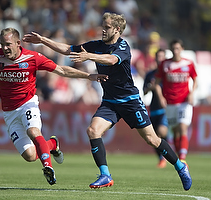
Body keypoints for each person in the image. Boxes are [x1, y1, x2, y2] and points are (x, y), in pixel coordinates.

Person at [22, 12, 192, 190]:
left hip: (130, 101)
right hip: (110, 101)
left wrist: (89, 56)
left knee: (152, 139)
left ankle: (180, 167)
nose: (103, 30)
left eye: (107, 27)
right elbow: (67, 49)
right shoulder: (96, 45)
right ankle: (105, 175)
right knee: (93, 130)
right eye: (103, 26)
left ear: (117, 29)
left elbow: (112, 60)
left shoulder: (123, 46)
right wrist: (43, 40)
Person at [0, 27, 108, 185]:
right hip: (9, 112)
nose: (4, 48)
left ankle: (48, 167)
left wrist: (89, 76)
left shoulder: (33, 58)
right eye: (2, 44)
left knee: (33, 131)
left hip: (28, 103)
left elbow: (61, 70)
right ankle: (52, 144)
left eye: (8, 44)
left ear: (18, 43)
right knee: (29, 155)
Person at [155, 39, 198, 164]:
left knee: (182, 127)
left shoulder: (188, 64)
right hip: (170, 103)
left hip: (184, 102)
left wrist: (191, 93)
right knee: (175, 131)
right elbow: (157, 84)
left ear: (182, 49)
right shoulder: (164, 64)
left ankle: (183, 158)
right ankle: (180, 158)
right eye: (173, 49)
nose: (175, 51)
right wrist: (161, 97)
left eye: (178, 48)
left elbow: (195, 80)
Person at [143, 49, 168, 168]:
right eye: (158, 57)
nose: (160, 59)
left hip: (166, 107)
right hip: (154, 108)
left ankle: (170, 151)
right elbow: (144, 91)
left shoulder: (168, 73)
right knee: (153, 137)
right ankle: (161, 158)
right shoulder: (150, 74)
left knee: (161, 131)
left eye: (162, 57)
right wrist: (150, 87)